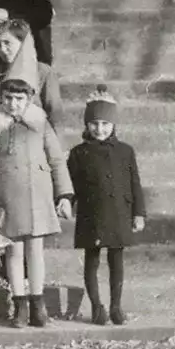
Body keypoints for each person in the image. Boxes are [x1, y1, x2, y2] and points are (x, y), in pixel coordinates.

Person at [0, 31, 74, 328]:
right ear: (1, 96)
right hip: (8, 194)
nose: (13, 104)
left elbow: (56, 158)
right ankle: (18, 304)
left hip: (39, 192)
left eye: (19, 98)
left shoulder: (39, 123)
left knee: (36, 251)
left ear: (30, 97)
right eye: (8, 97)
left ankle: (38, 303)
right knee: (14, 252)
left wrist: (64, 195)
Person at [66, 85, 146, 326]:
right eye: (94, 124)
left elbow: (135, 183)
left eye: (105, 124)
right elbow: (70, 183)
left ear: (114, 126)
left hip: (119, 212)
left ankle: (115, 307)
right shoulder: (79, 153)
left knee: (116, 260)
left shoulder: (125, 151)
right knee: (92, 259)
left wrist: (138, 213)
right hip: (92, 214)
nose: (99, 129)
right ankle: (97, 306)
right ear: (86, 125)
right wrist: (67, 202)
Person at [0, 19, 65, 134]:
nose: (2, 50)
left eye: (7, 43)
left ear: (23, 43)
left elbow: (54, 113)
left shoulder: (43, 72)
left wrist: (57, 146)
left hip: (36, 138)